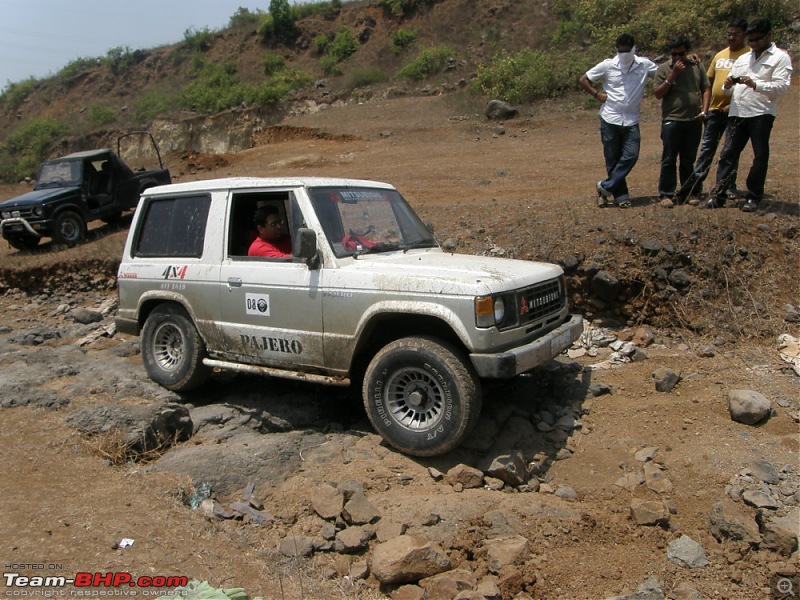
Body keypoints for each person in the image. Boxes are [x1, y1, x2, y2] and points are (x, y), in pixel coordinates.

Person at [708, 18, 793, 212]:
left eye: (757, 40)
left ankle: (753, 196)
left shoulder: (780, 57)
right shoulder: (743, 58)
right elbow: (728, 89)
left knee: (759, 155)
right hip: (737, 112)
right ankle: (719, 194)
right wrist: (727, 86)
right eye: (751, 40)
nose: (753, 44)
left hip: (761, 112)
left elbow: (781, 87)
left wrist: (756, 84)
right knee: (728, 154)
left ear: (769, 36)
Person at [675, 20, 749, 205]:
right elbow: (707, 81)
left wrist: (732, 105)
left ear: (745, 34)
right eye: (729, 33)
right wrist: (704, 107)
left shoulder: (749, 55)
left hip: (736, 111)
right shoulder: (720, 55)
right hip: (714, 111)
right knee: (707, 149)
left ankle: (727, 187)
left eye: (736, 34)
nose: (731, 37)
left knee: (730, 151)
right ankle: (695, 187)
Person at [580, 33, 657, 209]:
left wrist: (686, 60)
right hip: (610, 117)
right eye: (620, 50)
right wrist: (597, 94)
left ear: (633, 48)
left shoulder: (643, 65)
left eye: (626, 50)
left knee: (631, 155)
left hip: (631, 119)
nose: (624, 53)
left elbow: (664, 71)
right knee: (612, 157)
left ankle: (604, 187)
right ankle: (621, 195)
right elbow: (584, 79)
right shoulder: (607, 65)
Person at [653, 36, 710, 208]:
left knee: (688, 159)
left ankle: (688, 192)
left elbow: (705, 87)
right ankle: (666, 193)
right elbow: (658, 93)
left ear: (687, 52)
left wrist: (704, 110)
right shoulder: (664, 69)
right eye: (674, 54)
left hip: (693, 120)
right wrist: (672, 75)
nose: (677, 58)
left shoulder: (696, 65)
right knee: (669, 158)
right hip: (673, 119)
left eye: (681, 54)